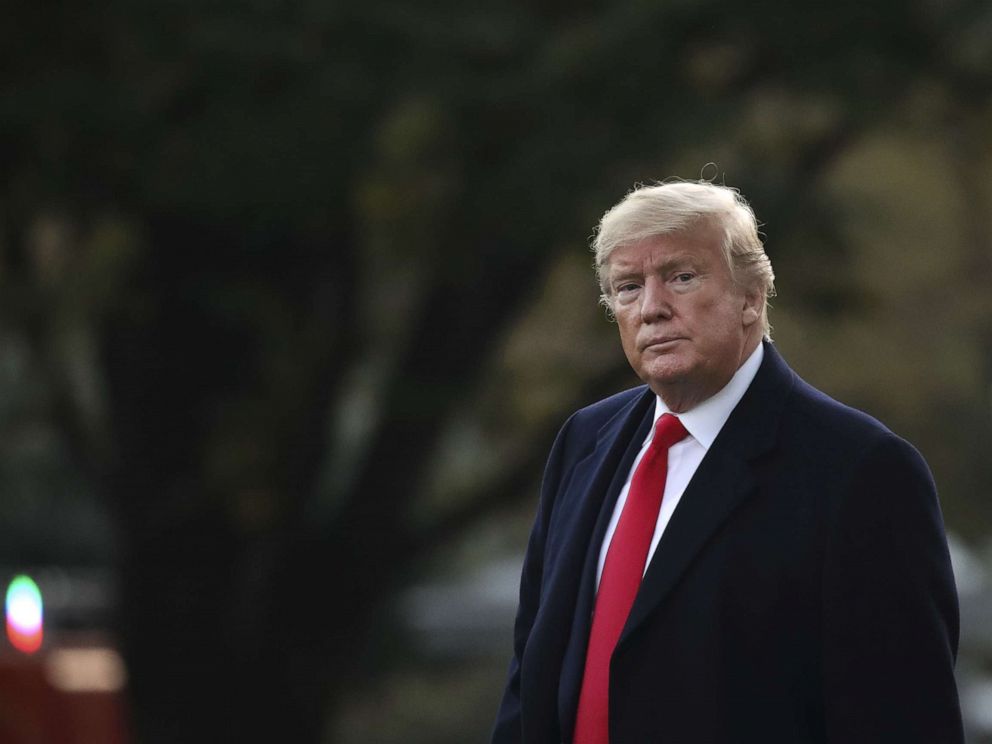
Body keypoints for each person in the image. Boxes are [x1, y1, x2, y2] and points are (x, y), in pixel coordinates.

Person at [491, 180, 963, 743]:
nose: (651, 308)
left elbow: (903, 719)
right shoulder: (584, 441)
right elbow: (531, 680)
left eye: (681, 277)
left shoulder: (861, 471)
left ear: (752, 297)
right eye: (627, 287)